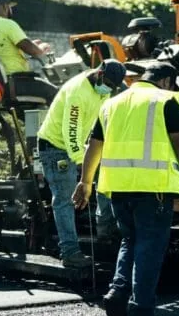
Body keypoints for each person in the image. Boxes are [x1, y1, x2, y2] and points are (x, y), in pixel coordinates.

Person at [72, 61, 179, 316]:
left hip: (117, 189)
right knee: (150, 247)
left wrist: (85, 182)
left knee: (130, 241)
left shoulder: (112, 104)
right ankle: (142, 313)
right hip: (152, 189)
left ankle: (119, 293)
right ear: (167, 80)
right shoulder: (165, 101)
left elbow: (93, 146)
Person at [37, 59, 127, 268]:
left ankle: (106, 234)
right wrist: (82, 166)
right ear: (99, 73)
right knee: (65, 198)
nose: (109, 89)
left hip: (78, 145)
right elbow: (71, 134)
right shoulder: (78, 93)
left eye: (114, 87)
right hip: (55, 147)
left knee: (106, 181)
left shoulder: (103, 89)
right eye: (109, 84)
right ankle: (70, 252)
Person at [0, 0, 59, 103]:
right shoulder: (7, 24)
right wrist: (41, 48)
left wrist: (31, 44)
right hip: (15, 84)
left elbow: (3, 50)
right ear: (5, 7)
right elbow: (34, 51)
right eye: (10, 7)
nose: (11, 10)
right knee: (58, 94)